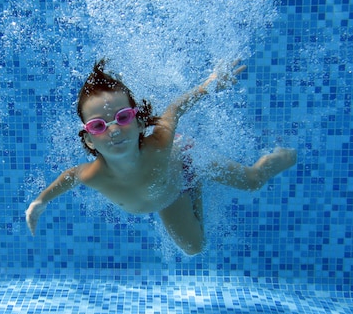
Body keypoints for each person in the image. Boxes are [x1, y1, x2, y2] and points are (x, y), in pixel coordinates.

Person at [26, 59, 297, 255]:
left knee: (251, 181)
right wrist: (40, 201)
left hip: (183, 160)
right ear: (88, 139)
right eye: (98, 125)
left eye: (123, 118)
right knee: (195, 248)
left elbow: (174, 110)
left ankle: (284, 156)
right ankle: (195, 186)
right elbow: (70, 176)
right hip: (168, 190)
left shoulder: (159, 144)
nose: (114, 130)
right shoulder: (94, 174)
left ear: (140, 123)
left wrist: (210, 84)